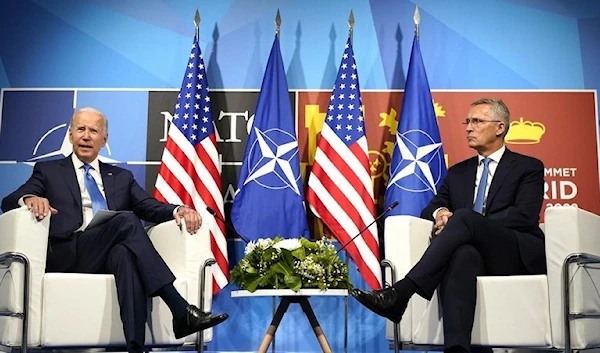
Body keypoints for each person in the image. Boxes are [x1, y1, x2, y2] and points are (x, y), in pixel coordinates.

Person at [1, 107, 228, 353]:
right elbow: (9, 200)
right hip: (69, 253)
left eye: (93, 131)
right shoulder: (49, 171)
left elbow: (148, 207)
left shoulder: (121, 176)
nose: (86, 136)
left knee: (125, 255)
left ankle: (136, 348)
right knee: (127, 221)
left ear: (104, 140)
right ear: (70, 135)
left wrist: (178, 210)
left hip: (106, 253)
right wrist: (29, 198)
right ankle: (179, 308)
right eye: (80, 129)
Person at [351, 98, 546, 353]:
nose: (468, 127)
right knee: (463, 254)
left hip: (514, 251)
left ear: (499, 127)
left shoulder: (527, 167)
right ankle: (456, 349)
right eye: (468, 121)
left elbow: (524, 215)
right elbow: (431, 207)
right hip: (475, 254)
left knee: (464, 218)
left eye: (477, 121)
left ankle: (402, 293)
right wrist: (442, 212)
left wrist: (470, 224)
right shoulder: (458, 172)